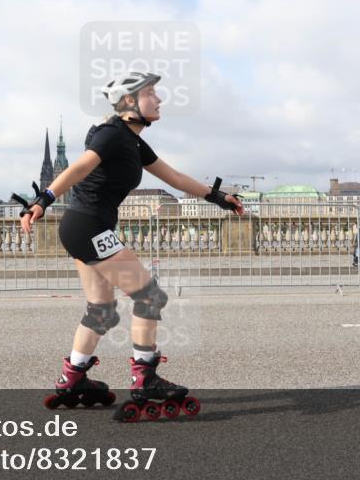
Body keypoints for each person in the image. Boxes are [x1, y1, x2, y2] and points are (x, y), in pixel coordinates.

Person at [19, 70, 244, 421]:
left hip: (84, 227)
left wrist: (218, 196)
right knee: (150, 296)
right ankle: (145, 377)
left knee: (102, 310)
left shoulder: (134, 142)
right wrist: (43, 199)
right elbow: (79, 168)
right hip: (88, 225)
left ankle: (73, 377)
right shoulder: (111, 135)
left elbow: (176, 178)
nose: (159, 99)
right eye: (151, 93)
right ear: (129, 102)